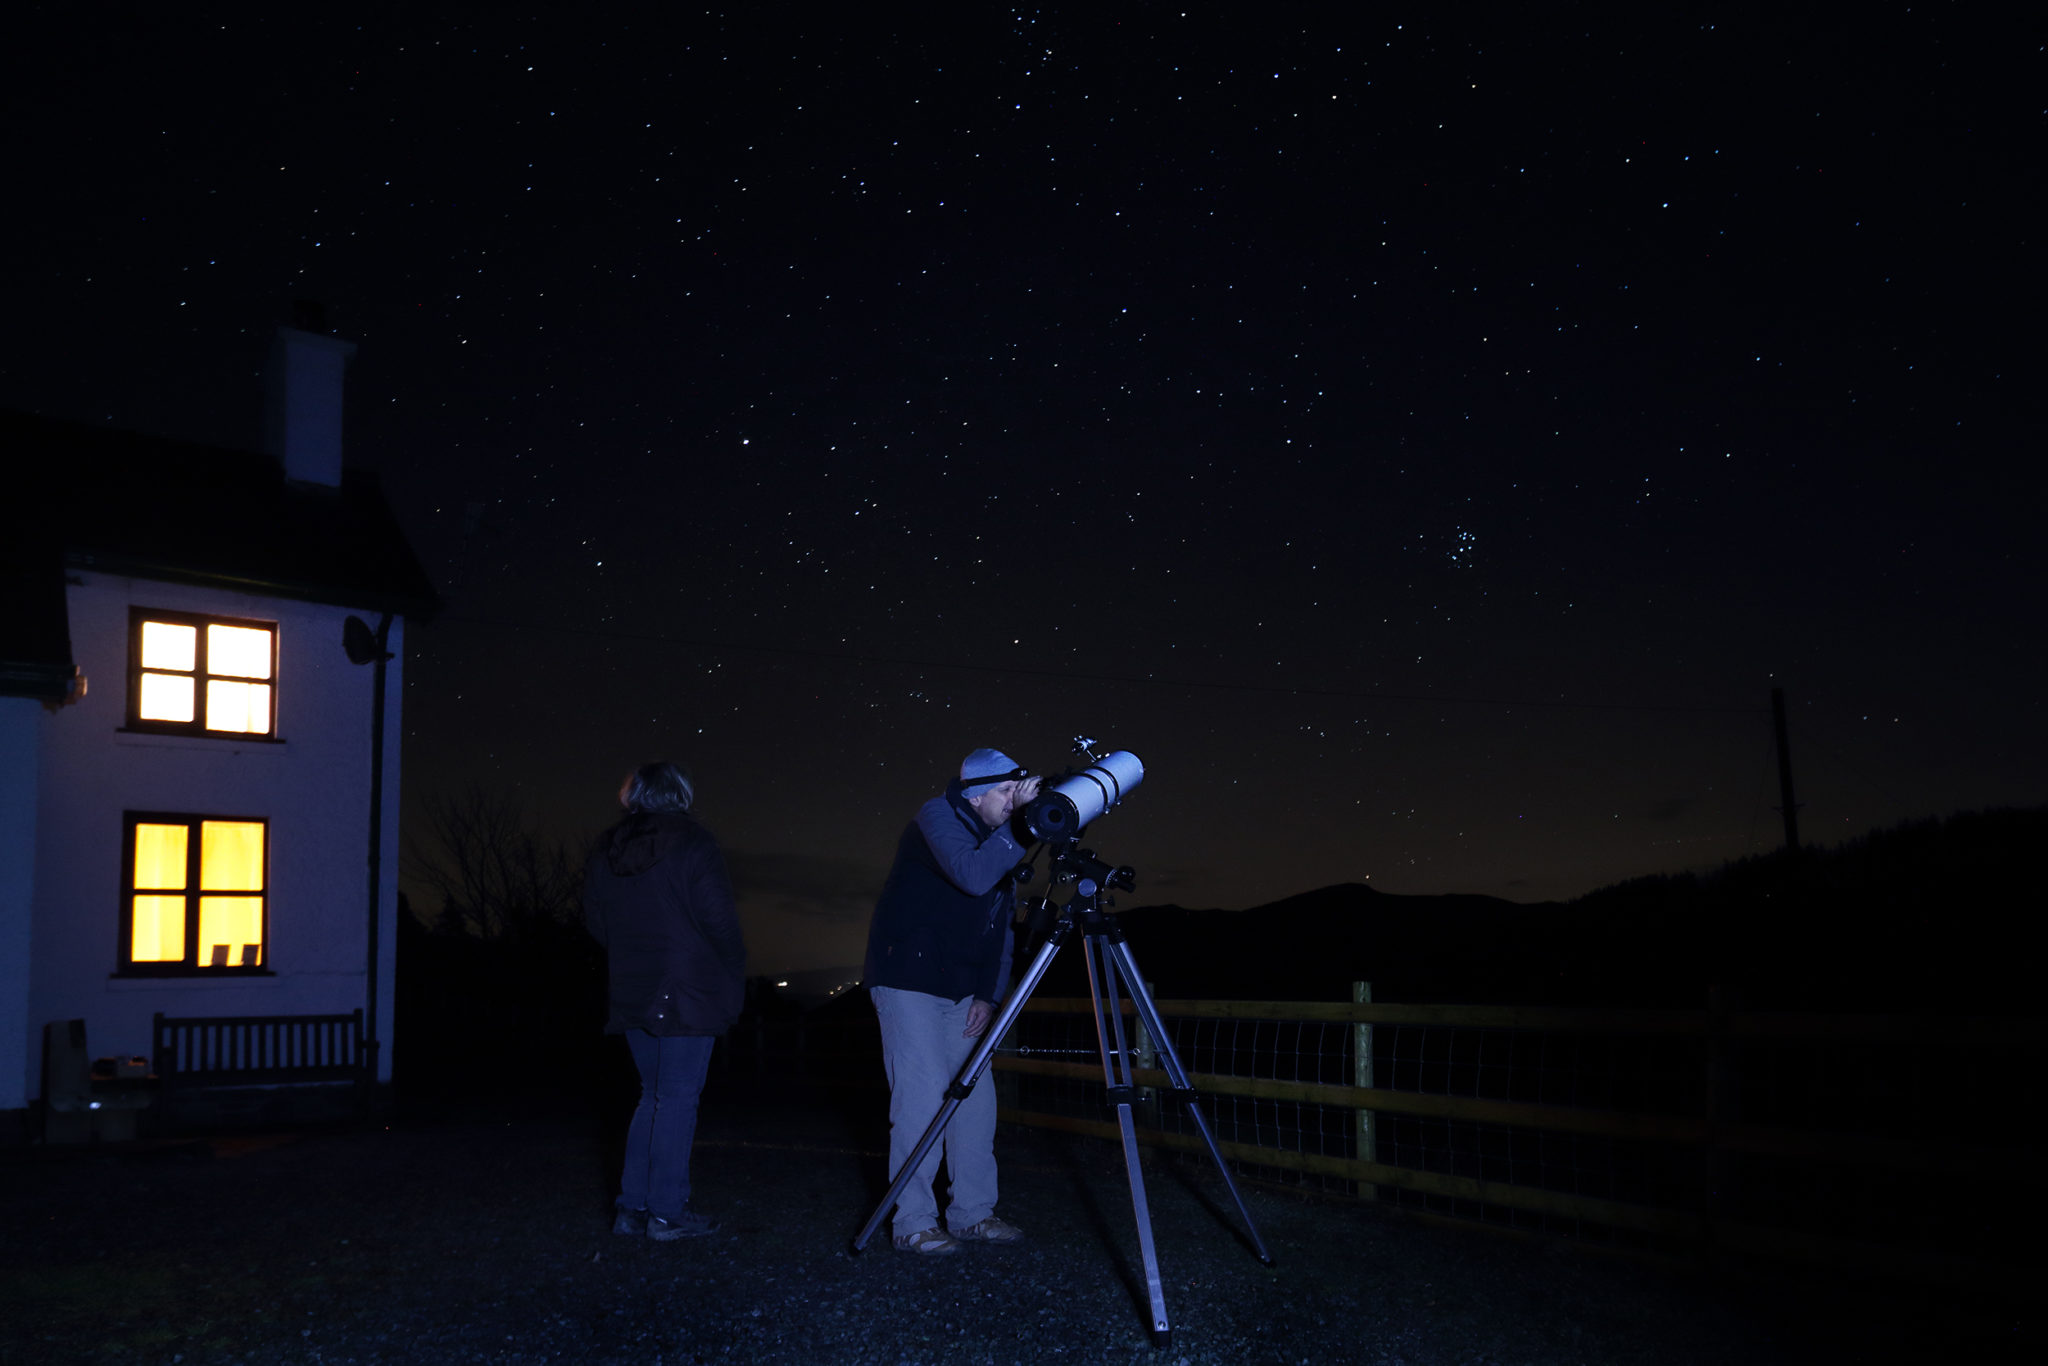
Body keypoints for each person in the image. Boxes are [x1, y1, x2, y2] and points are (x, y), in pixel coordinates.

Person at [862, 747, 1042, 1254]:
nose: (1015, 802)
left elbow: (1001, 928)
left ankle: (972, 1214)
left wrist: (990, 995)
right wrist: (1019, 832)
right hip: (908, 980)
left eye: (1018, 790)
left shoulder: (998, 841)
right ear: (975, 793)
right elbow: (972, 874)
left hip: (964, 989)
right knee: (921, 1102)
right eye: (1007, 792)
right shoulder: (937, 816)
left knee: (976, 1105)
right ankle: (913, 1221)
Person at [583, 761, 747, 1240]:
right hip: (688, 988)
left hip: (634, 984)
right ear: (679, 794)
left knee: (652, 1095)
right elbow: (718, 920)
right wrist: (731, 965)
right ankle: (666, 1212)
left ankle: (633, 1208)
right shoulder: (693, 841)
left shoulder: (604, 849)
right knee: (676, 1098)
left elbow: (596, 921)